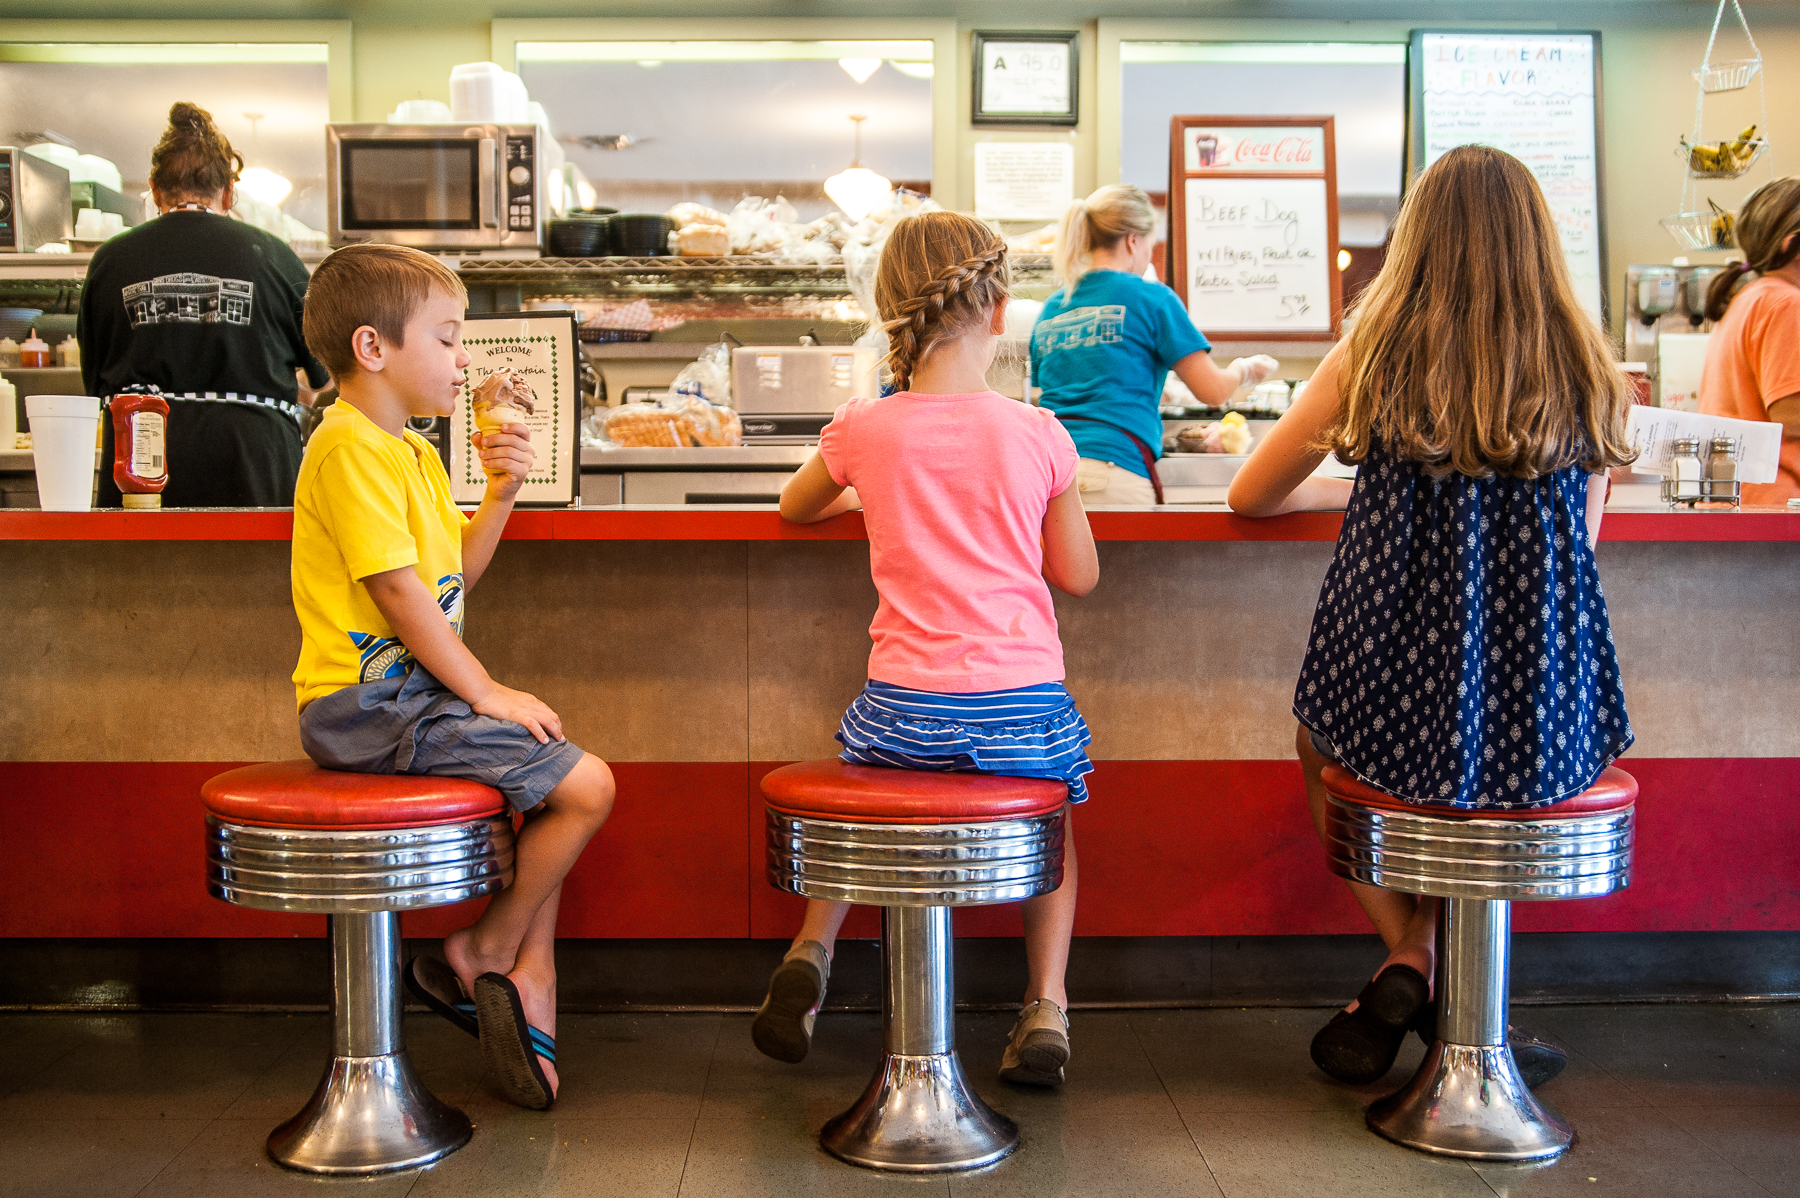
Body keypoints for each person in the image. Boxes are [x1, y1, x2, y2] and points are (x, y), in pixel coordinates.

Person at [1229, 145, 1636, 1088]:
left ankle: (1411, 955)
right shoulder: (1586, 362)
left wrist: (1369, 496)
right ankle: (1453, 989)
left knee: (1321, 747)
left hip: (1388, 687)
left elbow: (1253, 492)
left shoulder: (1373, 355)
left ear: (1416, 243)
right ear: (1540, 242)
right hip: (1541, 706)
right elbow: (1584, 540)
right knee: (1492, 780)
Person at [761, 211, 1100, 1086]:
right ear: (997, 309)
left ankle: (813, 953)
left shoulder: (864, 428)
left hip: (904, 705)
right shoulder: (1039, 432)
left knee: (866, 793)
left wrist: (866, 497)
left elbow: (795, 508)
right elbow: (1079, 574)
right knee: (1054, 823)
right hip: (1022, 706)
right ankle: (1047, 1004)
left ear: (891, 313)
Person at [290, 243, 615, 1111]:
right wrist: (483, 690)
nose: (463, 358)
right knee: (586, 785)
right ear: (373, 349)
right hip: (364, 705)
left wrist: (503, 490)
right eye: (447, 337)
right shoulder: (348, 445)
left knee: (549, 775)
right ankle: (482, 950)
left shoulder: (418, 456)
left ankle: (518, 969)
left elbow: (449, 579)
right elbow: (399, 596)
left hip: (406, 699)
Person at [78, 102, 329, 507]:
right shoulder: (274, 256)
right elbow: (325, 377)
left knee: (135, 569)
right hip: (253, 458)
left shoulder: (110, 259)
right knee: (253, 570)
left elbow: (94, 385)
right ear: (229, 193)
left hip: (143, 459)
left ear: (155, 189)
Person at [1031, 184, 1278, 505]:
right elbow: (1213, 391)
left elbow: (1066, 387)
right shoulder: (1152, 298)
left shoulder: (1053, 307)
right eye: (1150, 243)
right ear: (1133, 240)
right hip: (1115, 470)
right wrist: (1243, 370)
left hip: (1049, 476)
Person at [1700, 177, 1800, 504]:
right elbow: (1791, 415)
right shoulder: (1786, 304)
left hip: (1746, 498)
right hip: (1779, 504)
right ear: (1791, 244)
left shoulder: (1752, 298)